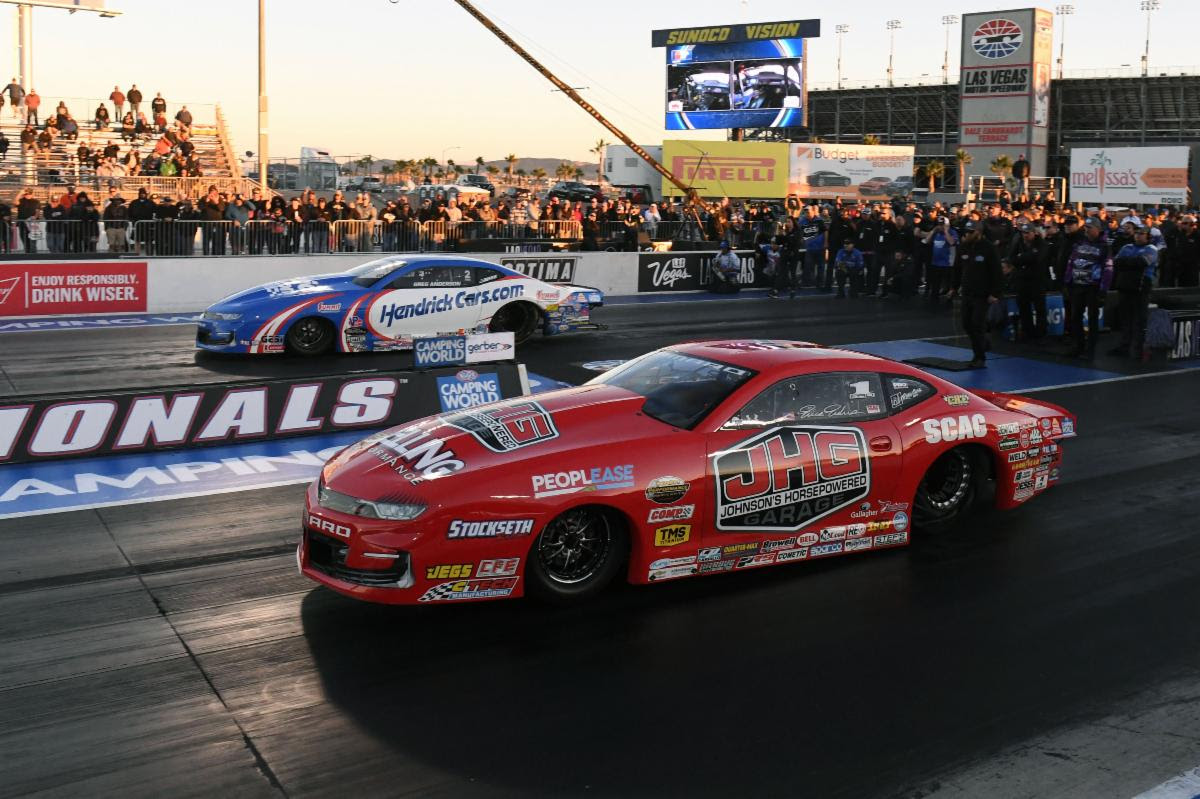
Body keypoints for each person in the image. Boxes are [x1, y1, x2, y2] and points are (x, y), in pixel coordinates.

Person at [949, 219, 1003, 368]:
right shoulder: (963, 247)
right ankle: (983, 343)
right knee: (967, 324)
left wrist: (995, 293)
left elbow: (997, 272)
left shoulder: (989, 248)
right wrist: (953, 287)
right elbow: (957, 268)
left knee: (977, 324)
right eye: (966, 231)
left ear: (978, 232)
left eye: (970, 232)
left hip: (983, 294)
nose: (967, 234)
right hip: (967, 292)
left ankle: (979, 357)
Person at [1062, 216, 1112, 360]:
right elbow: (1071, 262)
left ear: (1098, 229)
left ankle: (1090, 351)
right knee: (1075, 317)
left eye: (1089, 228)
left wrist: (1103, 290)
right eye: (1085, 228)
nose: (1086, 230)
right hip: (1077, 285)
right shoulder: (1079, 244)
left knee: (1092, 320)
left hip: (1093, 287)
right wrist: (1067, 281)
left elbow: (1108, 269)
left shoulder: (1104, 247)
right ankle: (1078, 346)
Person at [1109, 222, 1157, 359]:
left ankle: (1138, 348)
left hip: (1141, 286)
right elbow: (1116, 262)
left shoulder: (1151, 248)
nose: (1137, 236)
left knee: (1139, 319)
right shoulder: (1127, 246)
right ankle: (1124, 346)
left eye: (1141, 233)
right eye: (1136, 233)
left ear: (1147, 236)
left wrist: (1128, 262)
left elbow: (1143, 262)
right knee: (1125, 318)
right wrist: (1132, 263)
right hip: (1125, 285)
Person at [1008, 222, 1050, 340]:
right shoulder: (1019, 242)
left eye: (1027, 233)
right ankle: (1028, 332)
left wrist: (1021, 257)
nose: (1025, 235)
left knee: (1040, 308)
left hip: (1037, 280)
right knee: (1023, 307)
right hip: (1022, 280)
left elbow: (1037, 259)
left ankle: (1041, 334)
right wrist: (1026, 257)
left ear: (1034, 233)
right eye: (1023, 233)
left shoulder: (1041, 243)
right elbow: (1012, 258)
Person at [922, 216, 958, 307]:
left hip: (947, 263)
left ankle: (949, 299)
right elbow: (926, 241)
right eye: (939, 225)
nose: (940, 227)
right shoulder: (936, 233)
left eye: (942, 225)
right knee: (935, 283)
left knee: (949, 283)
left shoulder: (952, 232)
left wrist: (946, 231)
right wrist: (933, 230)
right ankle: (934, 299)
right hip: (936, 262)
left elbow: (952, 242)